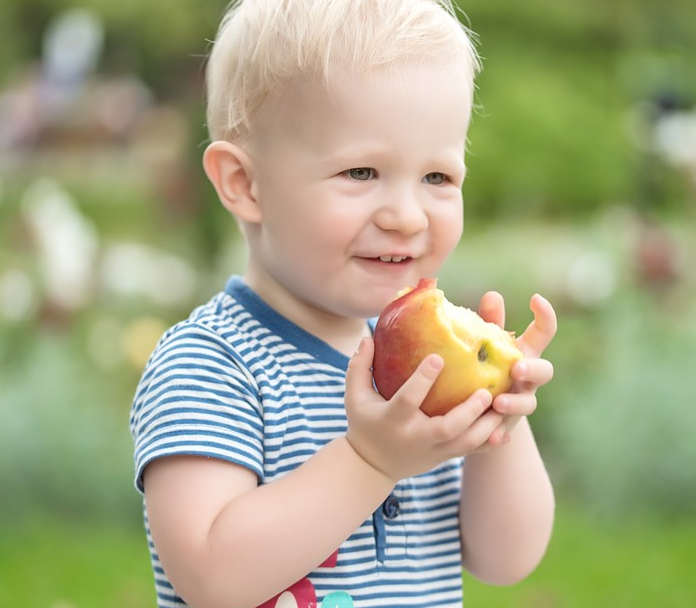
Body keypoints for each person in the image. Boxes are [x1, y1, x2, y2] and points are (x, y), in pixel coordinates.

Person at [129, 0, 557, 606]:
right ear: (244, 184)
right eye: (360, 172)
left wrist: (499, 422)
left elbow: (506, 559)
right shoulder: (211, 365)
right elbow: (209, 578)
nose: (407, 217)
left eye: (437, 178)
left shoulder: (424, 375)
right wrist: (370, 460)